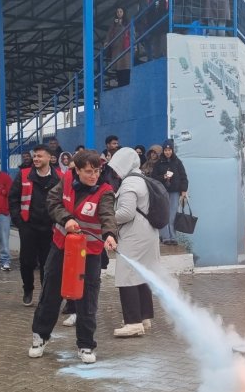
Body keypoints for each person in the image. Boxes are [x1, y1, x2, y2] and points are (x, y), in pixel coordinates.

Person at [28, 150, 118, 364]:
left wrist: (110, 235)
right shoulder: (66, 180)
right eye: (88, 171)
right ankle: (40, 337)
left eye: (97, 171)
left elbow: (107, 215)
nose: (93, 176)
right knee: (51, 293)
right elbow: (53, 201)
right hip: (62, 247)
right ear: (76, 170)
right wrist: (66, 219)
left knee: (88, 299)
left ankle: (86, 345)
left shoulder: (105, 191)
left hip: (91, 252)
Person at [108, 147, 159, 336]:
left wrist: (106, 217)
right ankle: (144, 317)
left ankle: (133, 322)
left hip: (134, 236)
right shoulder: (143, 179)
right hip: (149, 234)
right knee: (141, 274)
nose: (114, 171)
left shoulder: (129, 184)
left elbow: (126, 213)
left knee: (126, 275)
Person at [9, 145, 60, 306]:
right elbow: (13, 199)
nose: (36, 159)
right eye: (35, 156)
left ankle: (45, 294)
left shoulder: (60, 177)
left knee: (47, 264)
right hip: (28, 226)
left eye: (39, 156)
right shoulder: (24, 175)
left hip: (50, 227)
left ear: (49, 158)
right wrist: (19, 222)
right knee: (27, 261)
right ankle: (28, 289)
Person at [151, 139, 188, 245]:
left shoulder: (177, 162)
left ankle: (173, 237)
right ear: (163, 151)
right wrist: (163, 177)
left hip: (174, 192)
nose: (168, 152)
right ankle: (165, 237)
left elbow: (183, 177)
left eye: (169, 150)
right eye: (166, 150)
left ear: (172, 150)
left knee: (172, 215)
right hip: (162, 192)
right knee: (164, 214)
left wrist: (184, 190)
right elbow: (154, 178)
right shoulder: (159, 163)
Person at [106, 7, 131, 87]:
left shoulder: (127, 23)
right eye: (117, 12)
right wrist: (106, 42)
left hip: (125, 49)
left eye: (121, 11)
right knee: (118, 69)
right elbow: (109, 35)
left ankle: (126, 85)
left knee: (126, 67)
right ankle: (120, 85)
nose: (119, 13)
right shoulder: (113, 25)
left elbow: (131, 34)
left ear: (124, 13)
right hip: (116, 49)